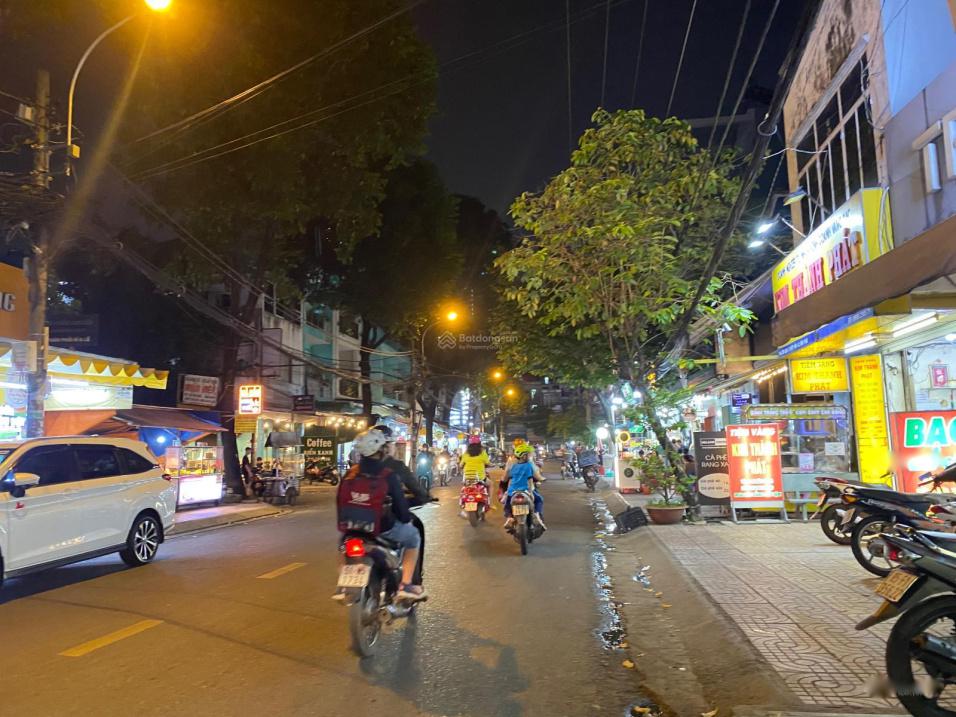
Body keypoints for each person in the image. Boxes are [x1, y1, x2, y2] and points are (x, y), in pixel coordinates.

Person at [336, 428, 426, 601]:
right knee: (413, 537)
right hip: (382, 529)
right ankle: (406, 584)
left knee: (343, 546)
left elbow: (340, 501)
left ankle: (344, 585)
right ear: (381, 450)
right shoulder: (387, 474)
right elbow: (401, 510)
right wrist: (405, 518)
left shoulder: (350, 473)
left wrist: (346, 526)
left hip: (353, 528)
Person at [502, 443, 546, 531]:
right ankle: (536, 514)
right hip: (525, 490)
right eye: (528, 454)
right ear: (523, 456)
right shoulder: (528, 465)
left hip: (512, 491)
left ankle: (509, 518)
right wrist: (531, 492)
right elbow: (530, 479)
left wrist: (506, 488)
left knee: (507, 504)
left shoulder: (513, 466)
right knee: (539, 500)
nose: (530, 456)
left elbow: (508, 478)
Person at [460, 435, 493, 511]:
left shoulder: (466, 453)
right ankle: (490, 502)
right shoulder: (482, 453)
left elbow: (461, 465)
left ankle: (462, 504)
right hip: (480, 478)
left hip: (467, 478)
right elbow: (488, 463)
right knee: (491, 484)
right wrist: (492, 464)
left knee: (464, 490)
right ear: (479, 444)